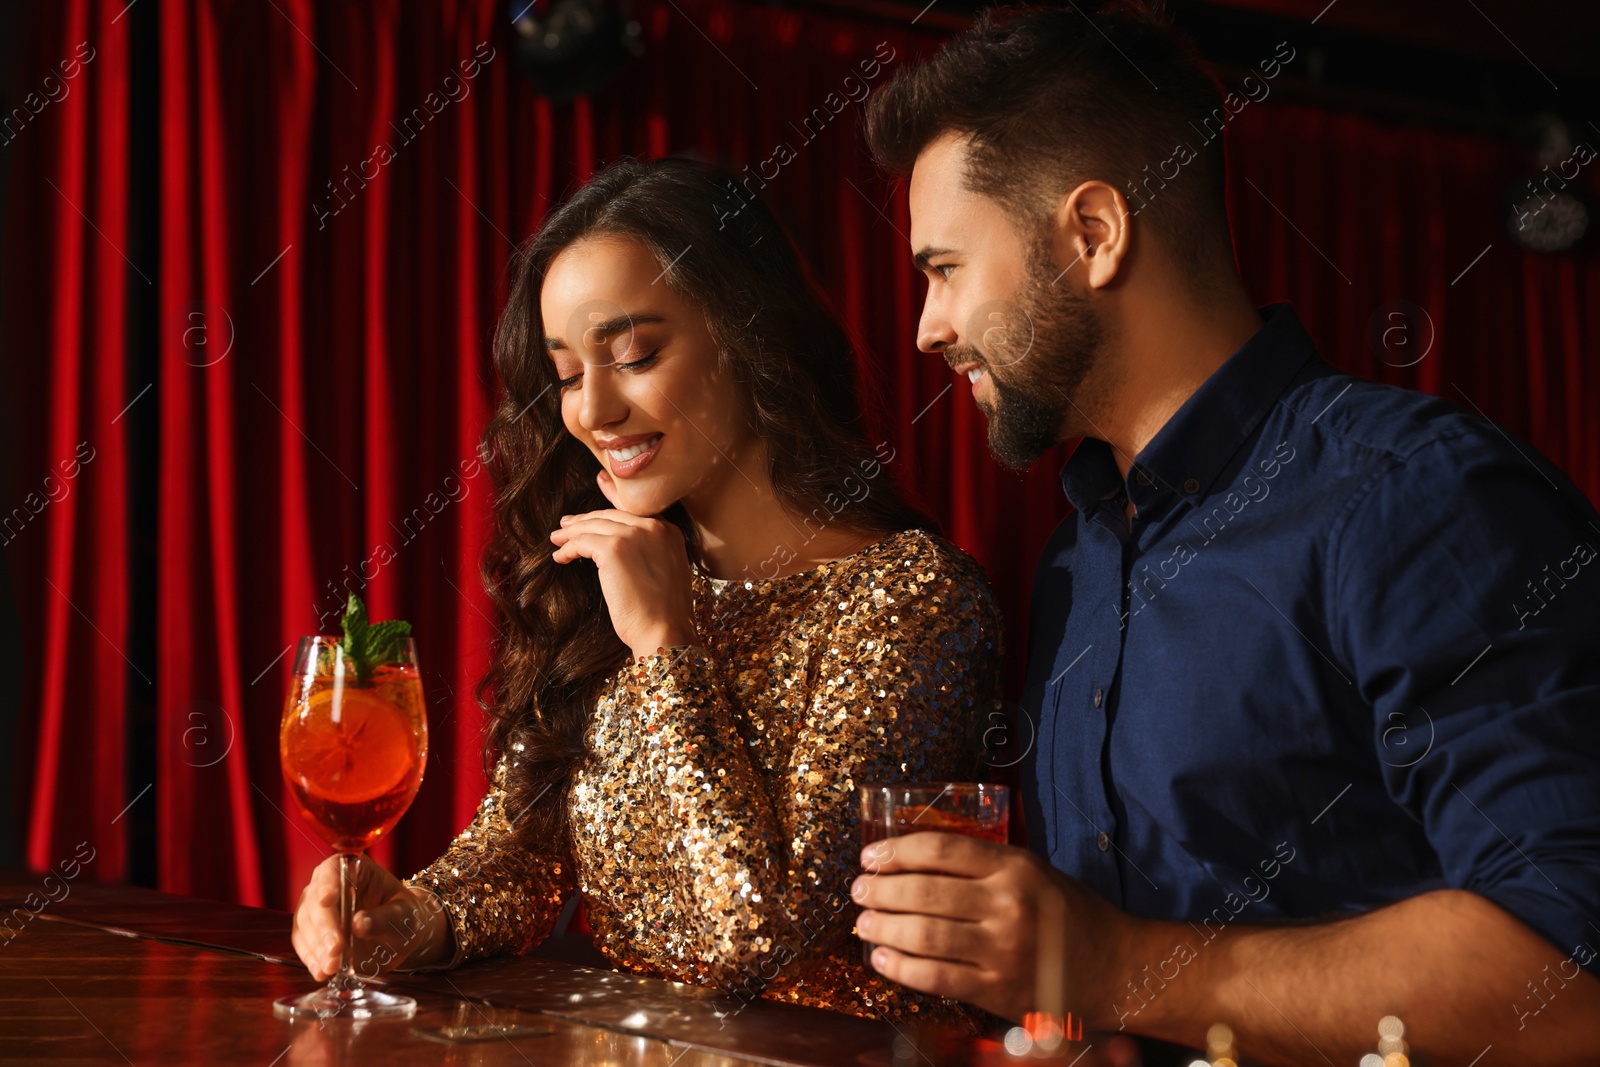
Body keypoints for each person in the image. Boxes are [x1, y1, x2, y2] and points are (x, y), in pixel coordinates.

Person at [846, 5, 1600, 1064]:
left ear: (1094, 235)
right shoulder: (1078, 556)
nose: (926, 325)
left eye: (943, 268)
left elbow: (1571, 976)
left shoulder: (1414, 496)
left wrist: (1111, 964)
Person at [288, 158, 1004, 1028]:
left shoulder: (911, 595)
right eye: (564, 373)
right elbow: (523, 856)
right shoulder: (611, 577)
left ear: (750, 338)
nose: (593, 410)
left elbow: (763, 937)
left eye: (634, 354)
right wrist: (400, 916)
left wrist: (668, 651)